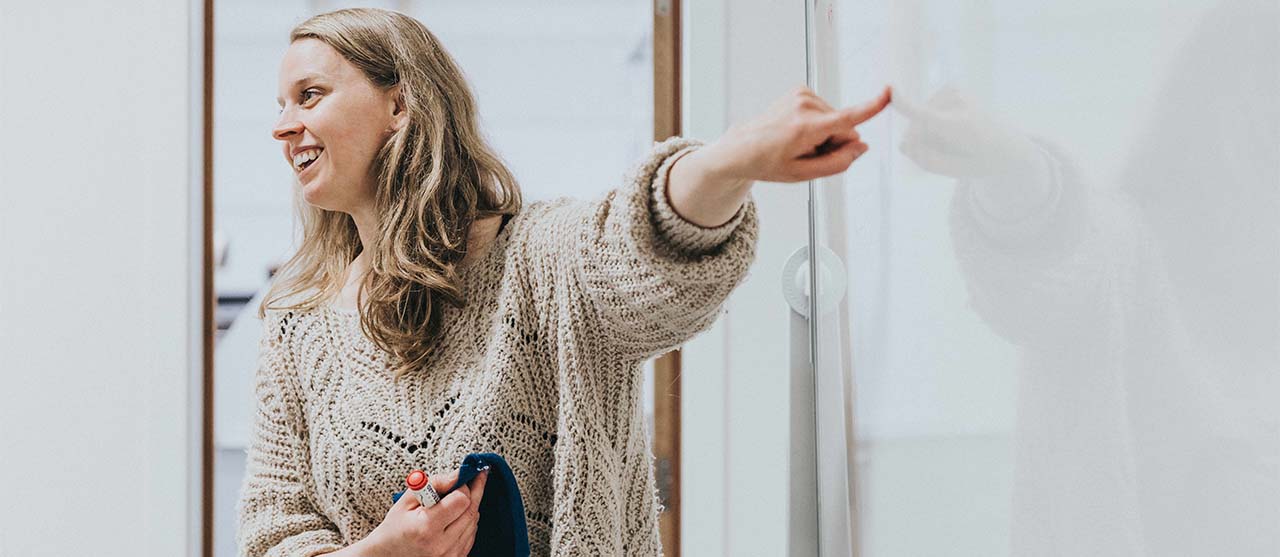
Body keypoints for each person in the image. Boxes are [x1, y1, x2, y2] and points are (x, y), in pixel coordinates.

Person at [234, 7, 891, 557]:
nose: (281, 124)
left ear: (400, 103)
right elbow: (273, 537)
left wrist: (731, 159)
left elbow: (644, 247)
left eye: (310, 95)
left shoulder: (540, 260)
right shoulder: (297, 323)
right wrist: (384, 549)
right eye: (280, 104)